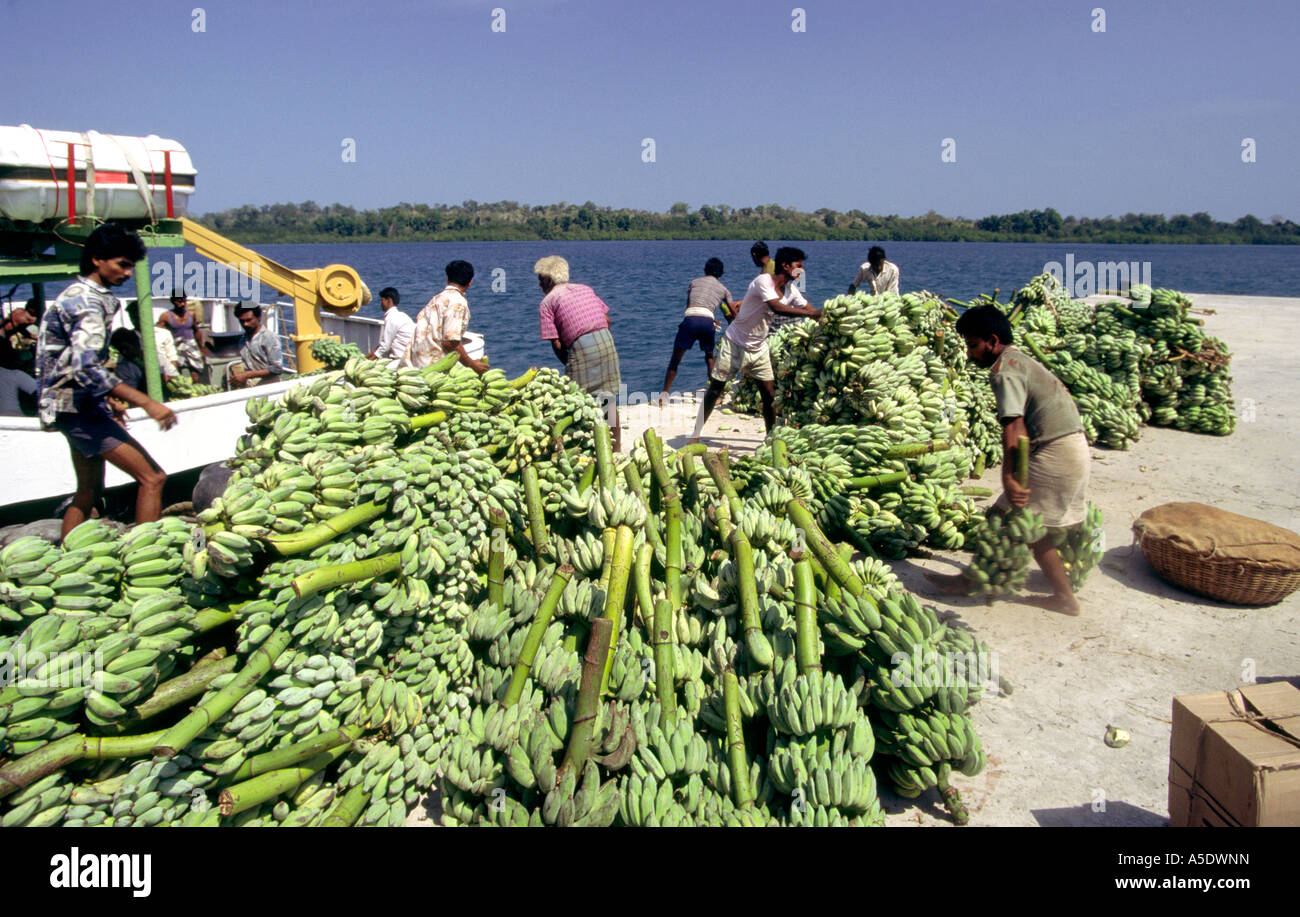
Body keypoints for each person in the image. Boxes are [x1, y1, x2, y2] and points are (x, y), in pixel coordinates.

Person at [925, 305, 1090, 615]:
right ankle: (976, 579)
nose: (971, 354)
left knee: (1027, 523)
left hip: (1056, 450)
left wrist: (1010, 479)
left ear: (992, 340)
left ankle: (1062, 598)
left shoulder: (1005, 372)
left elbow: (1016, 430)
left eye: (973, 346)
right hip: (1071, 445)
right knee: (1006, 517)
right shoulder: (1020, 359)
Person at [35, 224, 175, 539]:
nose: (127, 273)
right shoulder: (88, 302)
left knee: (88, 491)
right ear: (98, 259)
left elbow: (70, 362)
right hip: (80, 410)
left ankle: (65, 560)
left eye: (131, 266)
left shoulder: (75, 294)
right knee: (152, 478)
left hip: (66, 407)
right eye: (122, 264)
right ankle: (144, 556)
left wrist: (109, 400)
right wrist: (148, 402)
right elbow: (87, 369)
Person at [690, 247, 821, 442]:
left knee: (769, 395)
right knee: (716, 389)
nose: (801, 271)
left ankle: (770, 437)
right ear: (785, 266)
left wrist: (824, 317)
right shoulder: (763, 281)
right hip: (735, 343)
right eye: (798, 267)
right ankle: (695, 434)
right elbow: (775, 307)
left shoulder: (791, 291)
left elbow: (807, 306)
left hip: (758, 348)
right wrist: (811, 315)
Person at [535, 255, 622, 452]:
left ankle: (588, 449)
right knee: (607, 399)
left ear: (549, 279)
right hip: (605, 340)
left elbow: (556, 343)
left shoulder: (547, 302)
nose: (539, 284)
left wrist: (569, 364)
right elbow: (606, 319)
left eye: (540, 279)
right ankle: (616, 450)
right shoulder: (585, 288)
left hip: (581, 346)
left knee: (579, 400)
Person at [660, 258, 739, 401]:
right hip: (707, 321)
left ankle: (664, 395)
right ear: (721, 273)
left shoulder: (694, 282)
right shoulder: (724, 289)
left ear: (705, 270)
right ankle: (714, 396)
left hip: (690, 320)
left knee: (675, 360)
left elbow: (690, 306)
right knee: (709, 357)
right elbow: (733, 311)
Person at [408, 262, 487, 374]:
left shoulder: (436, 299)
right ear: (470, 283)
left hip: (418, 363)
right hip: (433, 369)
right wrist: (472, 365)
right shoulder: (457, 303)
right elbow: (450, 343)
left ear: (447, 278)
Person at [229, 303, 285, 388]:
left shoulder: (269, 337)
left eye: (249, 320)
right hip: (250, 385)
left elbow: (277, 369)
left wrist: (247, 374)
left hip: (269, 385)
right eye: (242, 321)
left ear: (258, 318)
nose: (245, 324)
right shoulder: (243, 339)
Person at [158, 292, 209, 382]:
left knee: (196, 371)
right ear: (173, 301)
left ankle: (197, 389)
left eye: (184, 301)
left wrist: (201, 349)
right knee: (177, 372)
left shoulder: (192, 314)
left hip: (191, 346)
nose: (182, 304)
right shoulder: (165, 316)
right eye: (179, 301)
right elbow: (158, 333)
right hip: (176, 347)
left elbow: (196, 331)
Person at [367, 286, 414, 369]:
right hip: (411, 356)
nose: (380, 304)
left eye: (382, 301)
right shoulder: (402, 315)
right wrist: (370, 355)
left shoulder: (392, 318)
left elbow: (385, 345)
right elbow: (383, 344)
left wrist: (368, 363)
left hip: (402, 360)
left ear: (389, 300)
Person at [0, 349, 36, 416]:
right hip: (14, 418)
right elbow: (46, 393)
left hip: (13, 419)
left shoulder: (14, 374)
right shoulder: (14, 374)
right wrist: (48, 419)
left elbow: (44, 393)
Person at [153, 315, 182, 382]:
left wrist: (172, 374)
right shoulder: (131, 335)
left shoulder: (163, 333)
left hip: (166, 371)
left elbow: (172, 355)